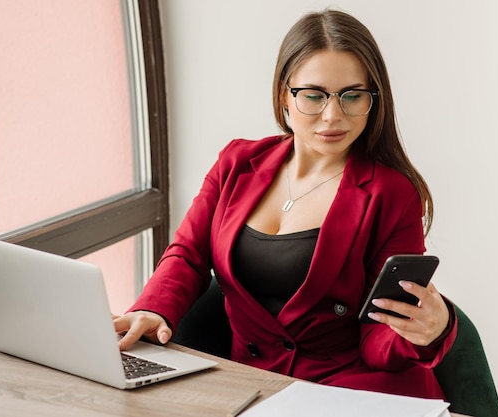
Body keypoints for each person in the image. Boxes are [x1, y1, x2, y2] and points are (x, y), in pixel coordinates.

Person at [113, 9, 456, 400]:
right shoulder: (236, 163)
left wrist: (430, 330)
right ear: (284, 95)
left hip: (355, 389)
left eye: (352, 96)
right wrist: (153, 310)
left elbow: (378, 334)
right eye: (313, 95)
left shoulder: (392, 193)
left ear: (372, 99)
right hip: (251, 384)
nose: (332, 115)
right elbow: (188, 254)